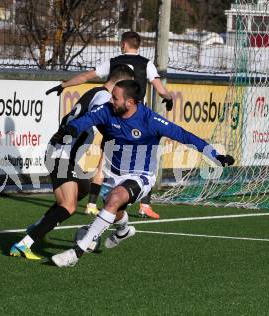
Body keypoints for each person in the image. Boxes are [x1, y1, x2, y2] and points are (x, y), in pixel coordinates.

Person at [51, 80, 235, 267]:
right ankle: (123, 230)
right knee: (114, 208)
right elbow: (86, 120)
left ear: (130, 102)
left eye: (115, 97)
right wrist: (70, 129)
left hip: (142, 175)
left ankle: (76, 252)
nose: (110, 100)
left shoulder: (150, 120)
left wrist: (215, 155)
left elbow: (185, 136)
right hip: (114, 173)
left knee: (114, 199)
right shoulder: (108, 110)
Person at [9, 65, 135, 260]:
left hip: (64, 155)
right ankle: (24, 244)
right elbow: (104, 122)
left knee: (82, 189)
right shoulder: (104, 98)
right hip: (61, 155)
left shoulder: (95, 93)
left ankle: (39, 226)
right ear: (118, 86)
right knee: (68, 206)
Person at [47, 31, 169, 219]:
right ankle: (142, 205)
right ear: (138, 45)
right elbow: (160, 89)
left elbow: (86, 77)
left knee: (104, 162)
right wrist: (168, 98)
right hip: (135, 122)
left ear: (123, 44)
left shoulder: (113, 63)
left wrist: (64, 85)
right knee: (144, 163)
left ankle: (92, 204)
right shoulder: (147, 64)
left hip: (114, 120)